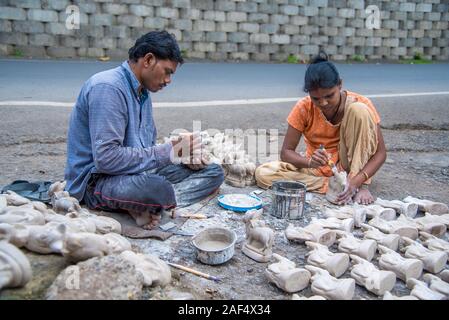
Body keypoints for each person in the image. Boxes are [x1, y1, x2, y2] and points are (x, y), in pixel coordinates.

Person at [64, 31, 224, 229]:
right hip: (97, 181)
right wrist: (170, 150)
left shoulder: (142, 93)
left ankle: (149, 205)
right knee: (157, 188)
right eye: (167, 71)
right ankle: (152, 202)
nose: (168, 80)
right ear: (148, 60)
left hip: (133, 174)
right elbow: (106, 159)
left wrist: (181, 157)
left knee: (214, 171)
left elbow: (144, 151)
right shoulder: (108, 87)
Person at [255, 52, 386, 205]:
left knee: (360, 110)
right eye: (316, 98)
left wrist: (359, 180)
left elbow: (380, 153)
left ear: (340, 85)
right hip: (318, 170)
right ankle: (333, 185)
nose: (323, 103)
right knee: (263, 173)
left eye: (329, 96)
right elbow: (286, 152)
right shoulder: (304, 107)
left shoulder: (361, 103)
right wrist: (310, 162)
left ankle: (357, 185)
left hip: (350, 168)